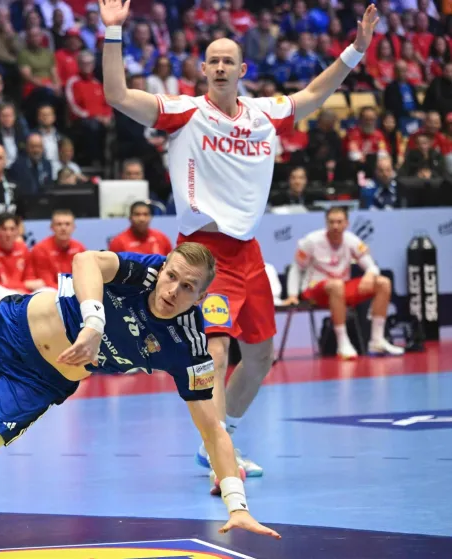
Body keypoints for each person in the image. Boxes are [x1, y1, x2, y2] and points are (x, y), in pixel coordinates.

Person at [0, 244, 281, 558]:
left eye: (187, 288)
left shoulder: (189, 346)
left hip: (37, 382)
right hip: (12, 323)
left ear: (202, 296)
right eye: (172, 277)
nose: (172, 290)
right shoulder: (146, 271)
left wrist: (236, 504)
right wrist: (93, 324)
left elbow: (213, 429)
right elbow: (85, 262)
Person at [100, 0, 379, 481]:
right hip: (203, 257)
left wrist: (355, 50)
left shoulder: (263, 115)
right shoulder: (184, 112)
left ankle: (218, 437)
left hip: (248, 253)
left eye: (230, 60)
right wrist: (113, 34)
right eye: (214, 60)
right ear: (203, 69)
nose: (222, 66)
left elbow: (315, 91)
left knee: (262, 357)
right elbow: (117, 94)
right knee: (218, 352)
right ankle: (220, 457)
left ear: (243, 69)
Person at [284, 207, 404, 359]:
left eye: (339, 222)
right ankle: (342, 343)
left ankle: (377, 340)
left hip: (339, 289)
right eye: (331, 222)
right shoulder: (311, 241)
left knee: (383, 283)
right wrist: (293, 294)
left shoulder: (351, 240)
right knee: (336, 285)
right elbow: (296, 268)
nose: (335, 226)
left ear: (346, 223)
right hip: (314, 290)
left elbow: (371, 265)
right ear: (326, 223)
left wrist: (370, 274)